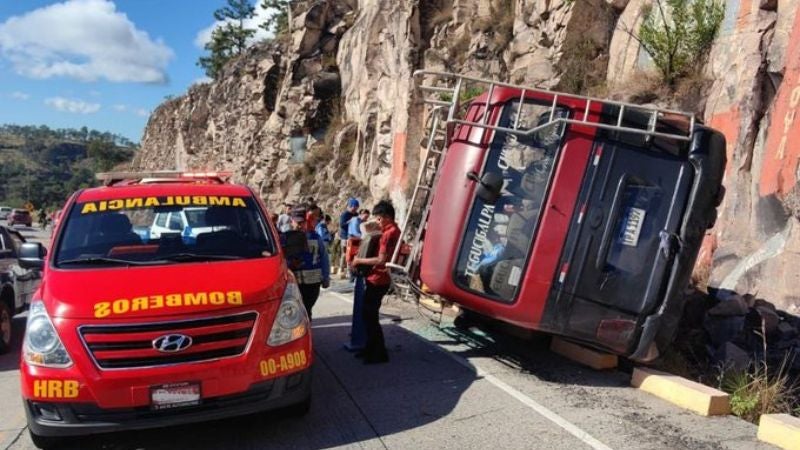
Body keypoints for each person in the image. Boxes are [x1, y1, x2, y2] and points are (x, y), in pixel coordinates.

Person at [352, 200, 400, 364]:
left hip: (378, 279)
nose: (378, 222)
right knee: (369, 315)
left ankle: (379, 353)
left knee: (370, 316)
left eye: (379, 219)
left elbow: (381, 260)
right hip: (382, 279)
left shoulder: (387, 234)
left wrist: (358, 260)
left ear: (387, 217)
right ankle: (370, 348)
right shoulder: (395, 230)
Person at [282, 208, 330, 320]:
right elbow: (280, 258)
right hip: (294, 282)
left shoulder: (315, 237)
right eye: (297, 222)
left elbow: (324, 257)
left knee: (307, 310)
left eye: (302, 222)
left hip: (313, 283)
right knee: (297, 312)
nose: (300, 225)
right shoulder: (285, 238)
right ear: (292, 221)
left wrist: (326, 277)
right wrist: (289, 264)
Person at [335, 198, 359, 277]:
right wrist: (350, 221)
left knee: (352, 254)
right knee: (345, 253)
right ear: (350, 206)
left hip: (353, 236)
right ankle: (341, 269)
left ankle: (350, 270)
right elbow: (342, 225)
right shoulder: (345, 214)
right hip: (345, 236)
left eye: (356, 208)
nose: (355, 210)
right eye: (354, 208)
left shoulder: (356, 214)